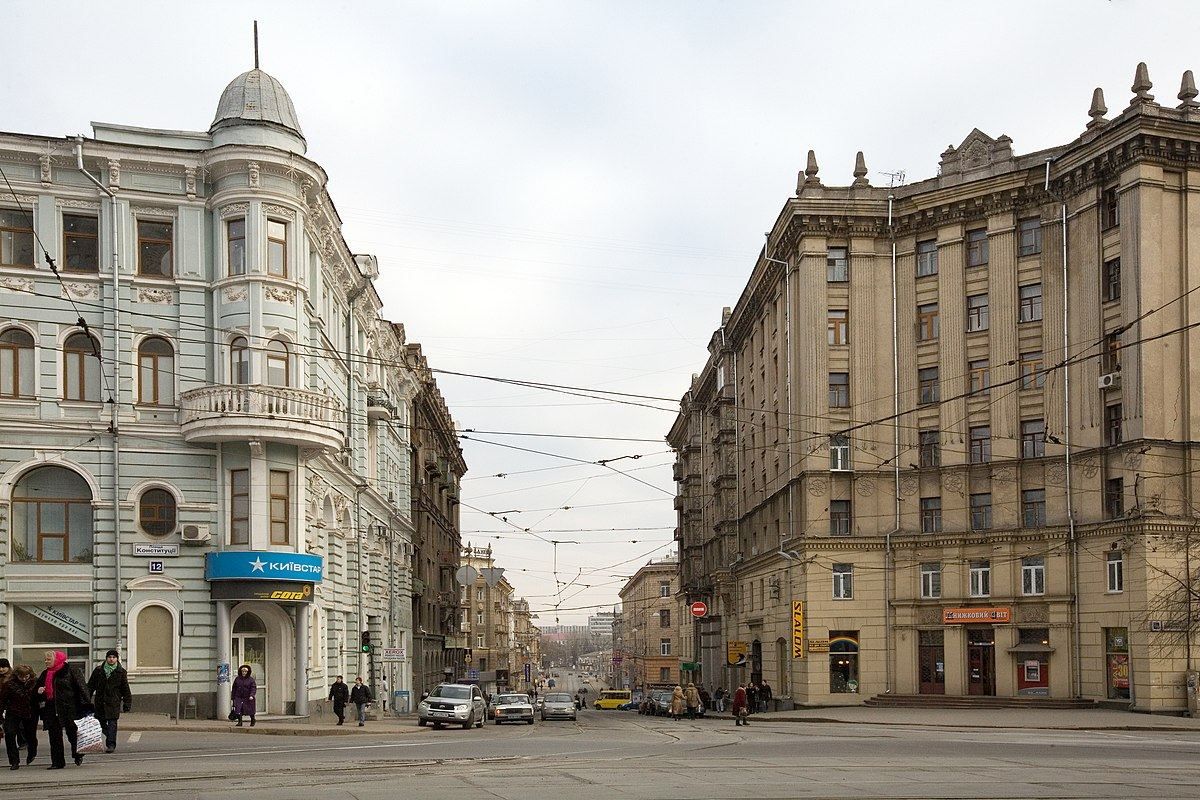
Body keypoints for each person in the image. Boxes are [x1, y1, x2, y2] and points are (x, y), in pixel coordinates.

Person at [36, 650, 91, 768]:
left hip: (69, 708)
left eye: (48, 659)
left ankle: (78, 753)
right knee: (54, 736)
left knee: (72, 733)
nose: (46, 662)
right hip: (51, 708)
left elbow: (82, 688)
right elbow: (37, 690)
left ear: (57, 660)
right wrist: (39, 691)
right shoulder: (45, 674)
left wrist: (87, 705)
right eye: (45, 659)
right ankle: (57, 762)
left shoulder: (71, 671)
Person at [87, 650, 132, 753]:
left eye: (114, 657)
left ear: (117, 659)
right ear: (106, 658)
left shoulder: (121, 672)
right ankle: (109, 734)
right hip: (100, 701)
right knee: (99, 722)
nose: (111, 659)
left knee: (112, 723)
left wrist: (127, 703)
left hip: (113, 702)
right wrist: (86, 700)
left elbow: (125, 689)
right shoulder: (98, 670)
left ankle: (111, 744)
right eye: (109, 657)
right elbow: (90, 686)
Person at [1, 663, 39, 769]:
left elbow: (40, 698)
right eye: (21, 676)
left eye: (26, 676)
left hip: (30, 712)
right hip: (13, 711)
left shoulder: (35, 682)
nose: (23, 679)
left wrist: (40, 693)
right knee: (10, 734)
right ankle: (14, 761)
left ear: (30, 675)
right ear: (16, 675)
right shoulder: (9, 684)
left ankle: (32, 752)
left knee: (30, 735)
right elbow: (2, 700)